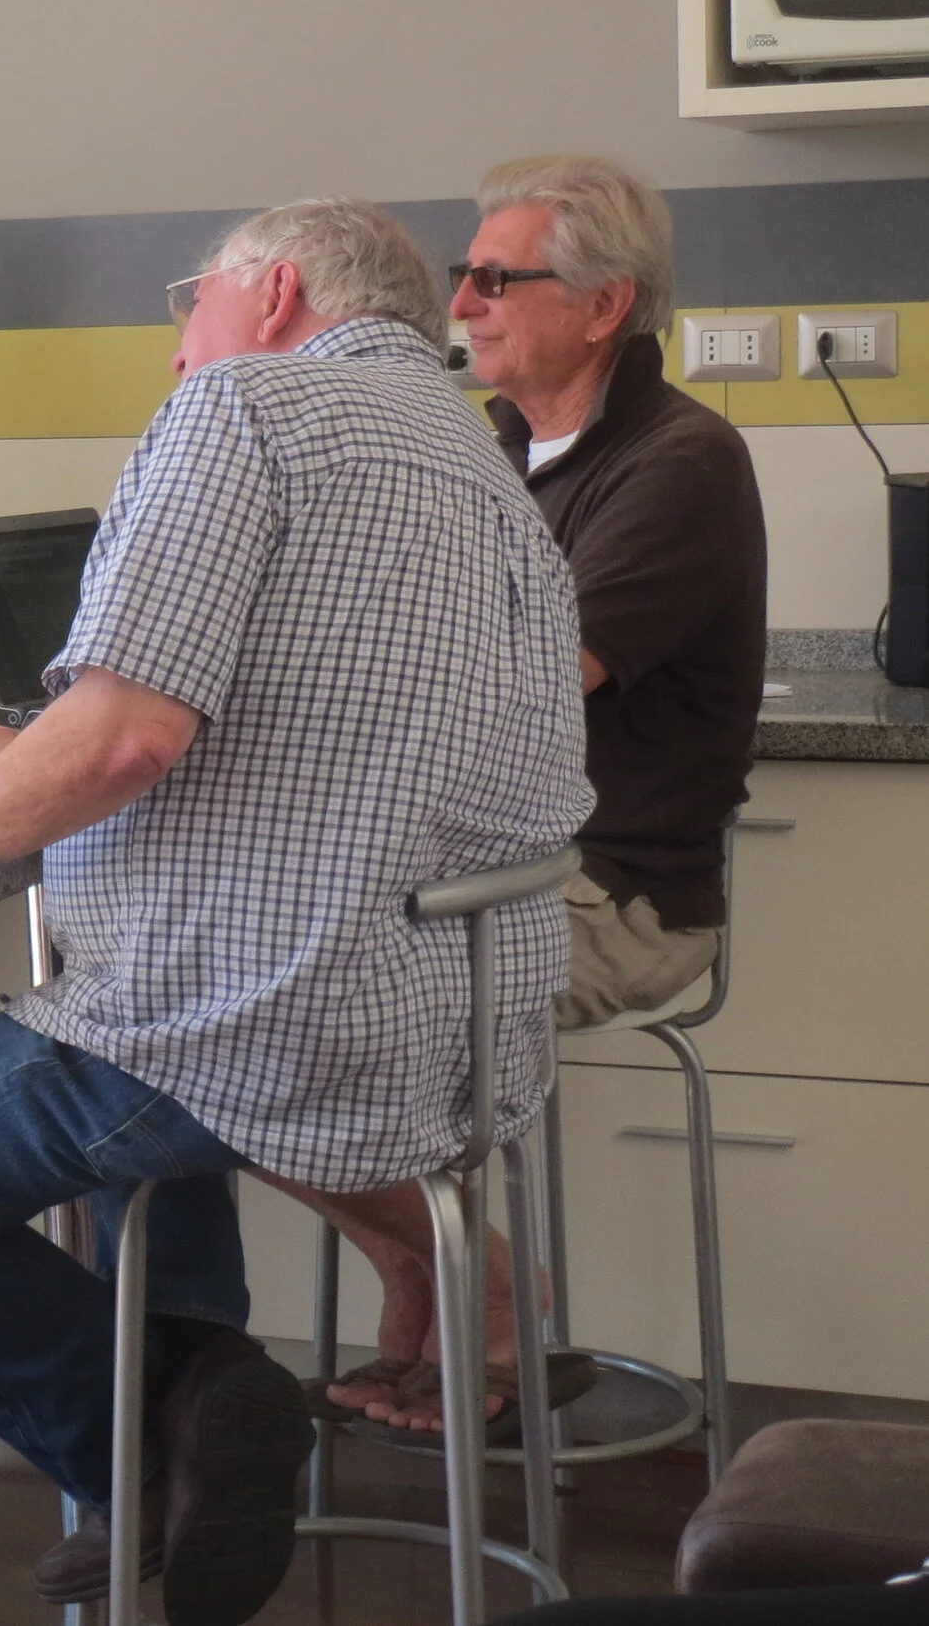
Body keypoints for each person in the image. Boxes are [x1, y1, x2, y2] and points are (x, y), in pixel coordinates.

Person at [0, 197, 591, 1622]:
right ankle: (206, 1399)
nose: (174, 353)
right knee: (141, 1127)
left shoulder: (247, 412)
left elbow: (132, 737)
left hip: (252, 1008)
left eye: (185, 306)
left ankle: (166, 1430)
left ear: (271, 296)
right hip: (447, 1010)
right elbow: (231, 722)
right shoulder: (485, 454)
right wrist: (28, 754)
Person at [282, 157, 767, 1438]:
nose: (463, 302)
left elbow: (533, 683)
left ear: (605, 306)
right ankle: (432, 1272)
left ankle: (480, 1293)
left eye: (500, 278)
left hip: (612, 897)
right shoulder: (488, 451)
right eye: (462, 275)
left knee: (276, 1001)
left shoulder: (681, 461)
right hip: (471, 868)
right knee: (234, 976)